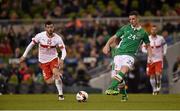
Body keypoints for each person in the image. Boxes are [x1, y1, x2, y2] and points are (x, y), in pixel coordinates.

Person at [103, 11, 153, 101]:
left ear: (138, 18)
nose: (131, 21)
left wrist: (150, 58)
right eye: (130, 19)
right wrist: (107, 45)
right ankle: (124, 95)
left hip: (130, 55)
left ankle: (111, 88)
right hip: (118, 54)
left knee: (124, 70)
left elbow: (148, 46)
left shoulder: (143, 33)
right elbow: (114, 37)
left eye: (133, 19)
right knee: (119, 78)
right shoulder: (125, 28)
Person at [20, 21, 67, 100]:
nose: (50, 29)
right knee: (49, 82)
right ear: (45, 28)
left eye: (51, 27)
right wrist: (24, 55)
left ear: (53, 28)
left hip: (53, 58)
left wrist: (62, 59)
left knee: (55, 73)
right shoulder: (40, 36)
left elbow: (64, 50)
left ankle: (61, 95)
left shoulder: (58, 38)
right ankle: (58, 76)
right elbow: (30, 45)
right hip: (43, 61)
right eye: (48, 27)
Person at [142, 25, 167, 95]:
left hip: (159, 59)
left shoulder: (161, 38)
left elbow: (165, 45)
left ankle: (158, 83)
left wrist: (164, 52)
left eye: (155, 30)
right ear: (151, 30)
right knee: (152, 76)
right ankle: (154, 89)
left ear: (157, 31)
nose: (154, 31)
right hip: (150, 60)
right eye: (153, 30)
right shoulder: (147, 38)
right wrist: (148, 52)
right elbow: (143, 48)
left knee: (158, 74)